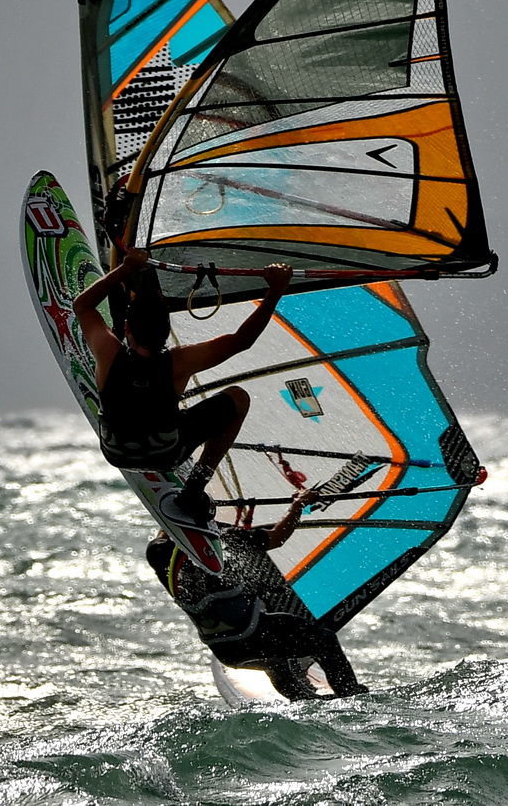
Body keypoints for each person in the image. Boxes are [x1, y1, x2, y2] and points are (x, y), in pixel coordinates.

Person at [73, 247, 294, 523]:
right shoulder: (181, 361)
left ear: (127, 328)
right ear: (167, 330)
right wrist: (276, 291)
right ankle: (195, 488)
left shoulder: (108, 351)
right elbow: (242, 340)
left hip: (115, 453)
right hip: (166, 454)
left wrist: (126, 269)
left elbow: (82, 306)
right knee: (238, 398)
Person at [145, 492, 369, 700]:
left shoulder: (158, 553)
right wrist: (298, 506)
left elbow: (167, 532)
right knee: (324, 641)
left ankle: (302, 700)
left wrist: (172, 512)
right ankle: (350, 695)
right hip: (254, 635)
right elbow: (278, 537)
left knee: (275, 663)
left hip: (225, 651)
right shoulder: (228, 540)